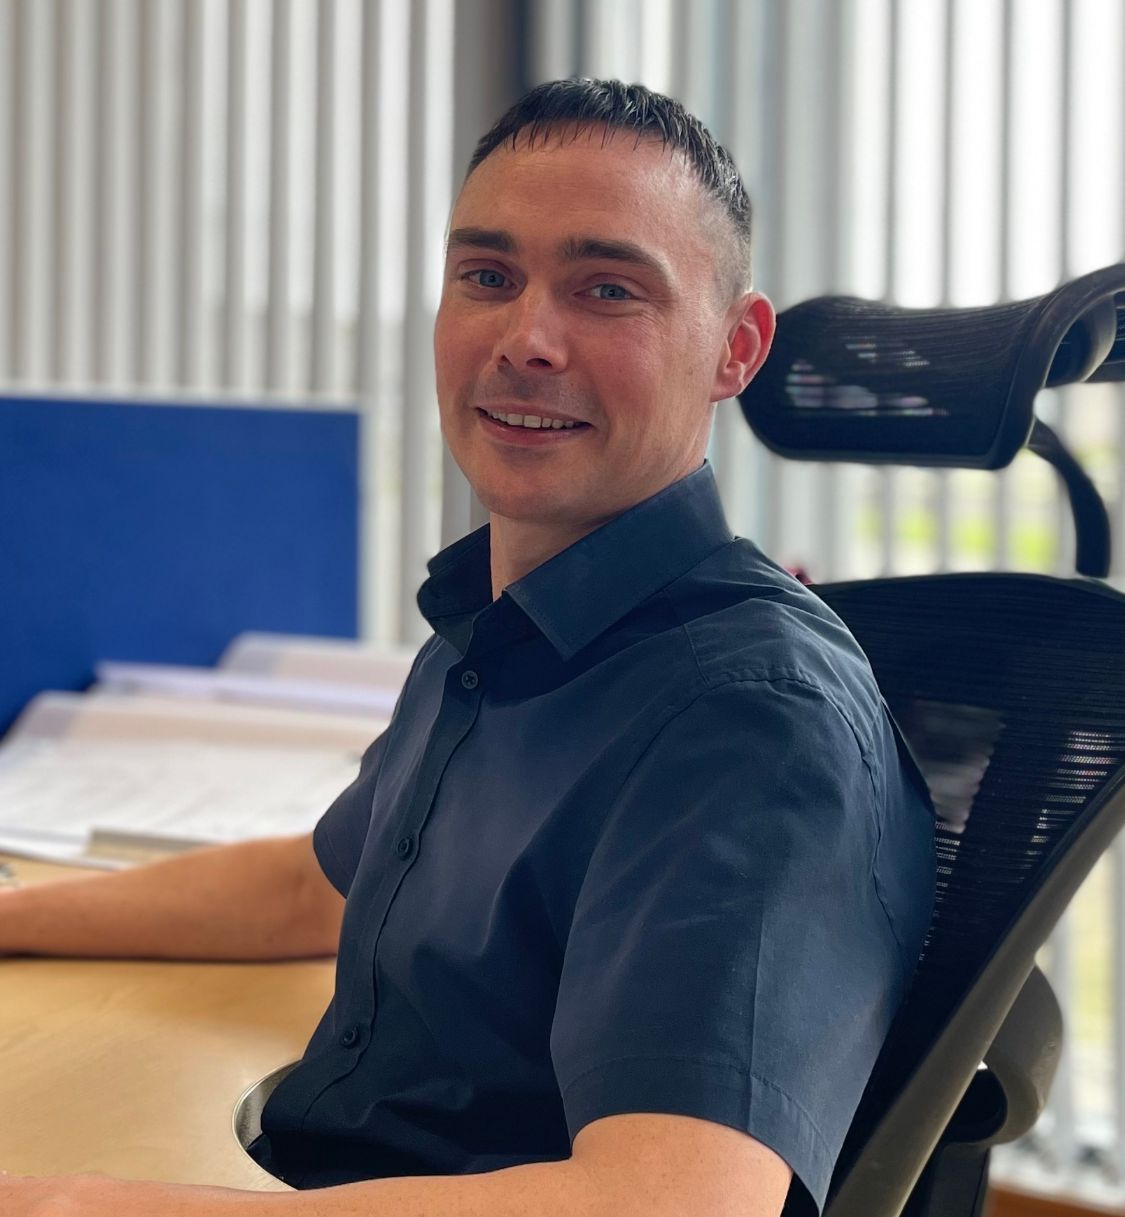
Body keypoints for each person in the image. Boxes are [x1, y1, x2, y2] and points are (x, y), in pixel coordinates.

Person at [0, 79, 935, 1217]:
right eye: (487, 277)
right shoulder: (501, 630)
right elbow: (316, 886)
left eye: (607, 289)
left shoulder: (747, 715)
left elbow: (673, 1201)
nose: (526, 339)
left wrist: (96, 1208)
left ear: (735, 347)